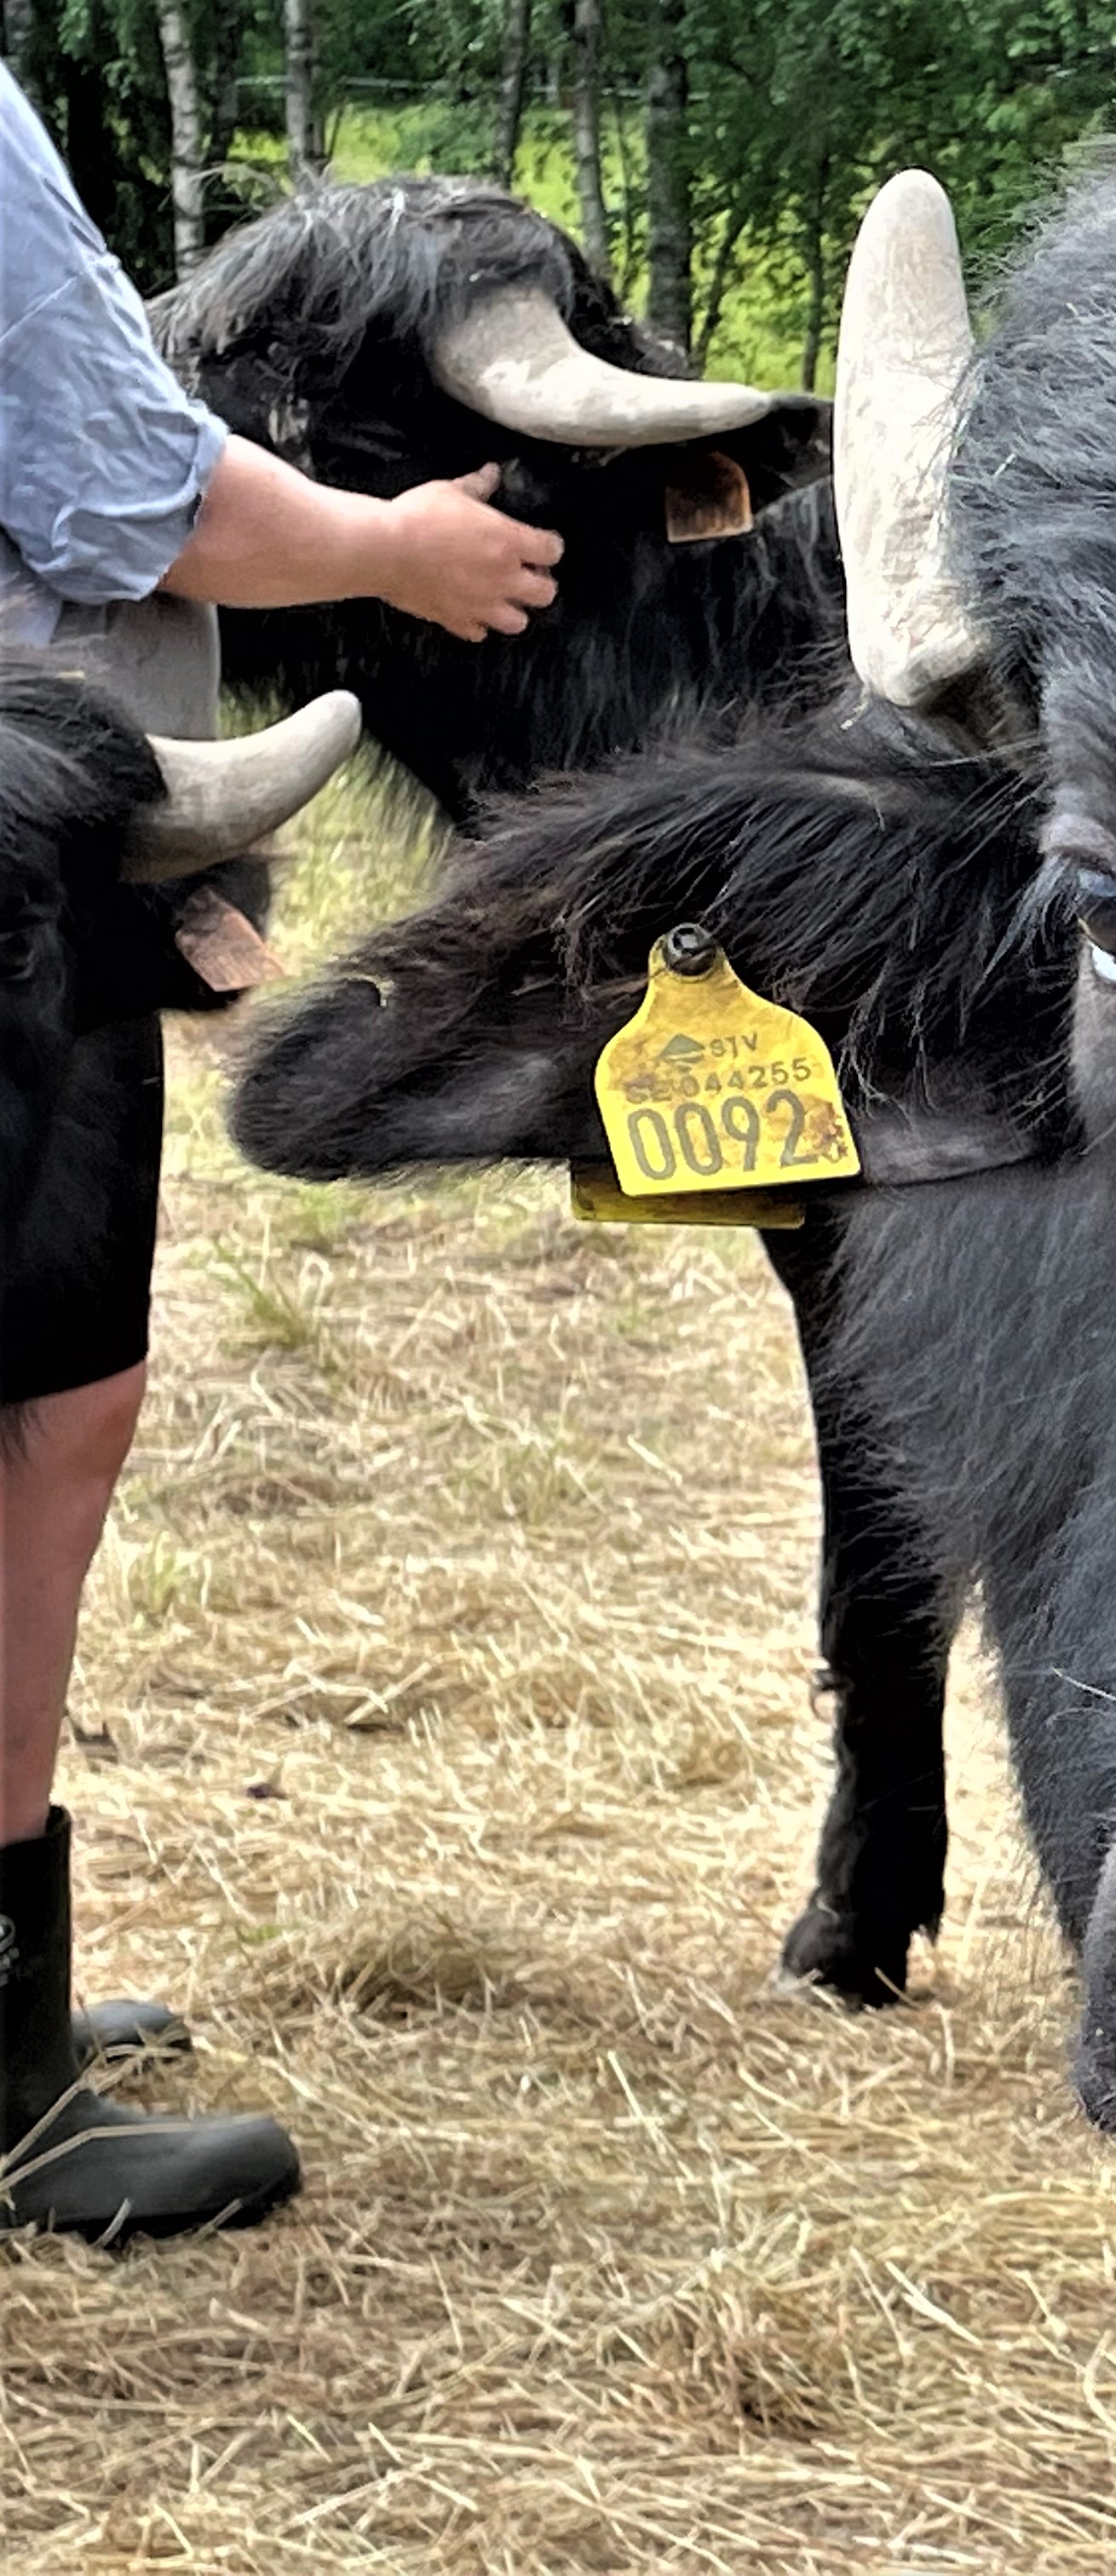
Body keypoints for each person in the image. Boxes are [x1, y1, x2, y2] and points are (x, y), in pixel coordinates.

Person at [3, 68, 562, 2240]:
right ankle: (3, 2078)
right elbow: (119, 494)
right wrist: (393, 551)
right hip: (11, 854)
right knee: (42, 1413)